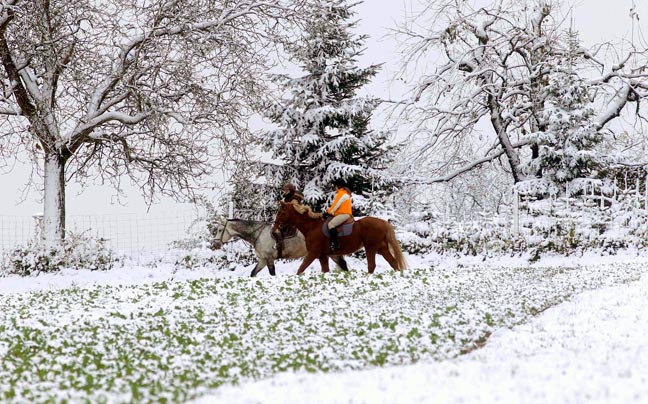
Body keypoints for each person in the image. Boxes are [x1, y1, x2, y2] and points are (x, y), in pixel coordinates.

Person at [274, 183, 303, 258]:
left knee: (277, 231)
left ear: (290, 191)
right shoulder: (288, 198)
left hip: (293, 221)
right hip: (288, 220)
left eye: (286, 190)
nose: (285, 192)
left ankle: (280, 249)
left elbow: (297, 210)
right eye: (285, 190)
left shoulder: (293, 200)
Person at [325, 178, 352, 251]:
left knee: (330, 224)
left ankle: (335, 243)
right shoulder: (344, 193)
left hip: (344, 214)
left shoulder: (341, 193)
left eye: (335, 186)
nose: (335, 188)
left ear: (339, 186)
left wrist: (328, 212)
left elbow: (336, 205)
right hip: (342, 213)